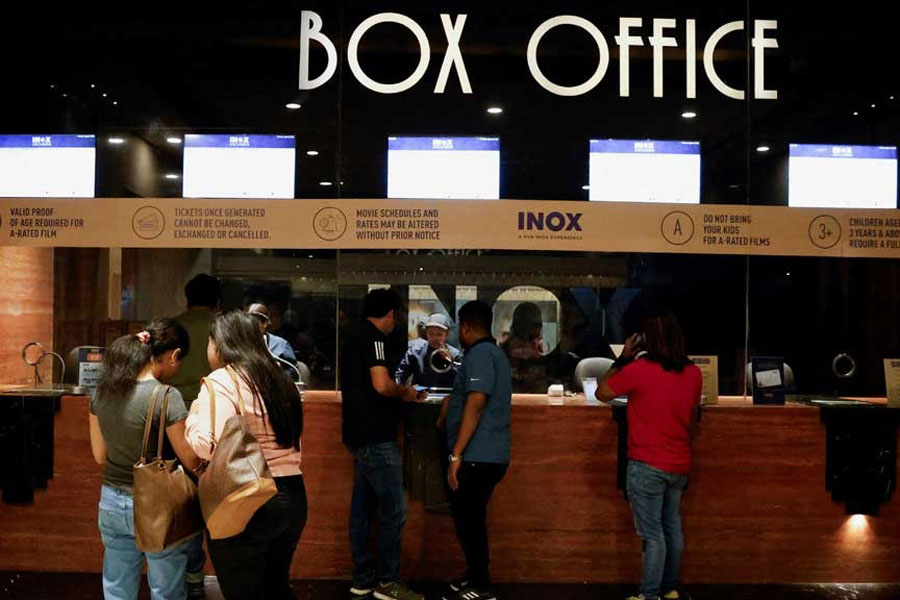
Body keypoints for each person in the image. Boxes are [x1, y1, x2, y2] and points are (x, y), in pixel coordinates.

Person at [184, 311, 306, 600]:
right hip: (292, 495)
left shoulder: (223, 380)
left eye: (211, 342)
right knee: (276, 586)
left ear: (221, 344)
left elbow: (208, 445)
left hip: (246, 495)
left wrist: (191, 422)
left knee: (243, 591)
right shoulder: (281, 380)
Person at [88, 319, 200, 600]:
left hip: (112, 501)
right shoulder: (166, 396)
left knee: (117, 587)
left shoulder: (101, 392)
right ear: (173, 355)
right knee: (166, 589)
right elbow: (190, 458)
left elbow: (100, 456)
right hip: (157, 503)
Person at [594, 312, 702, 600]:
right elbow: (692, 418)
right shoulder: (693, 373)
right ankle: (669, 590)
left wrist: (623, 358)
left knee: (652, 534)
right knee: (671, 529)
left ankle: (650, 594)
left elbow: (602, 392)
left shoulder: (639, 369)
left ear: (646, 341)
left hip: (646, 464)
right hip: (678, 463)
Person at [339, 289, 426, 600]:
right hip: (376, 436)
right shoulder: (375, 338)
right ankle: (389, 582)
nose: (397, 322)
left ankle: (362, 578)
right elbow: (380, 384)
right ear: (389, 314)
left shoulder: (352, 336)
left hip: (358, 436)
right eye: (396, 315)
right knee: (394, 510)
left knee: (362, 510)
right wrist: (404, 391)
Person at [441, 301, 512, 600]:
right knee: (467, 518)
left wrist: (456, 454)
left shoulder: (482, 354)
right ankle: (473, 574)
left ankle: (481, 586)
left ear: (466, 326)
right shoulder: (488, 353)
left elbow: (477, 402)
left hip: (477, 455)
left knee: (470, 520)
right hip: (482, 453)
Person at [168, 273, 221, 598]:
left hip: (173, 425)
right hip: (215, 424)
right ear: (218, 302)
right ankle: (225, 572)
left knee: (182, 503)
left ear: (187, 300)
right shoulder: (224, 328)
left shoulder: (171, 327)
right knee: (218, 501)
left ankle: (190, 574)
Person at [395, 313, 462, 389]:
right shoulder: (415, 352)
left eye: (439, 334)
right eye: (431, 334)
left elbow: (461, 379)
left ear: (447, 334)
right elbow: (400, 375)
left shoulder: (454, 354)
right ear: (426, 333)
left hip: (446, 396)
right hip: (420, 396)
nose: (435, 338)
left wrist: (450, 362)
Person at [246, 302, 301, 377]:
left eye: (254, 324)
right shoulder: (238, 342)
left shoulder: (281, 344)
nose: (249, 328)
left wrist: (278, 377)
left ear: (264, 324)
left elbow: (293, 370)